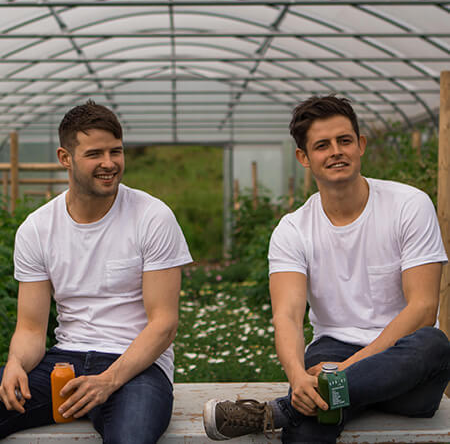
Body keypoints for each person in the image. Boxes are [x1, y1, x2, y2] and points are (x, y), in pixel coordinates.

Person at [203, 95, 450, 443]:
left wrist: (341, 374)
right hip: (332, 350)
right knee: (314, 413)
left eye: (344, 140)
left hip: (406, 363)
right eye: (322, 145)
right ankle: (323, 398)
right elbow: (287, 315)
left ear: (360, 145)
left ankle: (278, 411)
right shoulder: (293, 229)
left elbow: (423, 309)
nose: (336, 151)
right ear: (304, 157)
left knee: (432, 343)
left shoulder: (408, 206)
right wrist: (298, 378)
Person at [0, 100, 193, 443]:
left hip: (137, 367)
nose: (109, 163)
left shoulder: (152, 217)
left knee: (130, 437)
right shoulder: (37, 228)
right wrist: (16, 363)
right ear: (65, 158)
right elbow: (30, 329)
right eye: (95, 154)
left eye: (116, 152)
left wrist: (109, 380)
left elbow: (164, 323)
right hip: (64, 364)